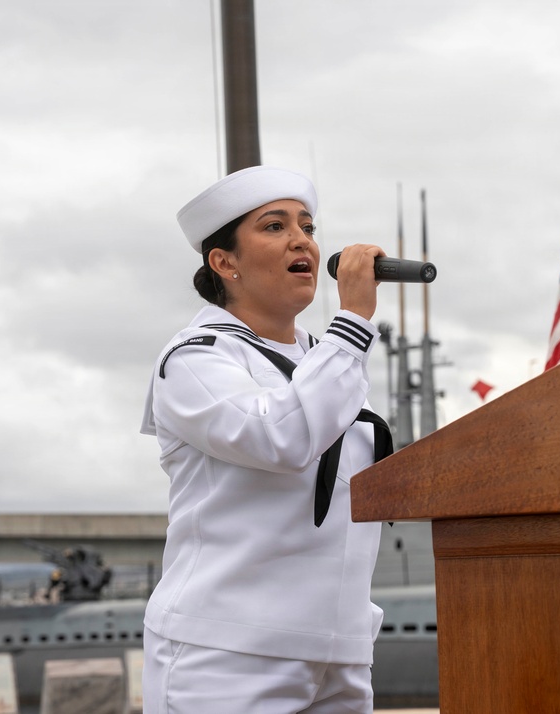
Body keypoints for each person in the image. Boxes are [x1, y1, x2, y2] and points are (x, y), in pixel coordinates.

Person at [139, 166, 392, 713]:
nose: (302, 239)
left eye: (307, 225)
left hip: (337, 650)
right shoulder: (195, 358)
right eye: (275, 227)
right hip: (229, 654)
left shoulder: (326, 360)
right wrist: (352, 323)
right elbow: (282, 437)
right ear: (224, 262)